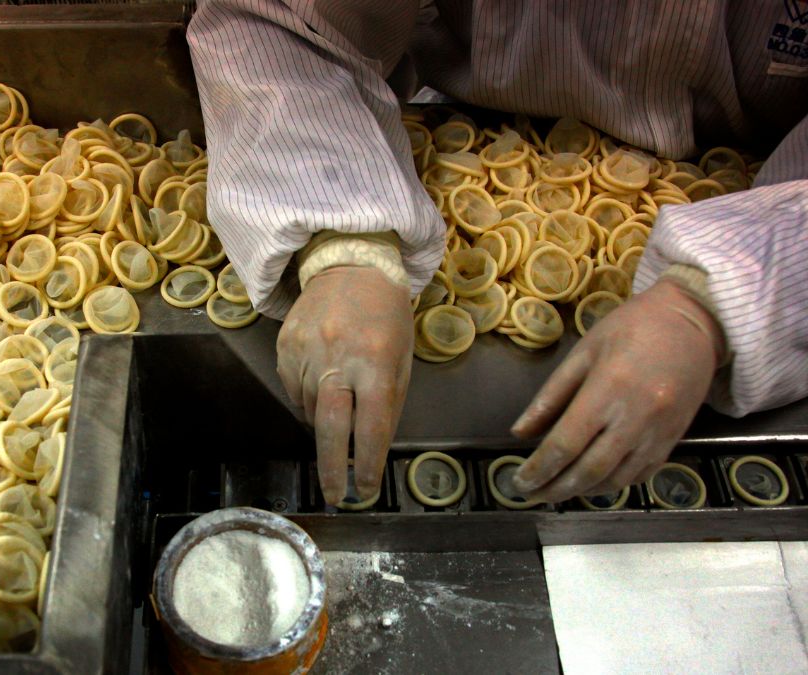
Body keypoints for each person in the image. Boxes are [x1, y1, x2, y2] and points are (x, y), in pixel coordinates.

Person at [187, 0, 808, 506]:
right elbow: (275, 20)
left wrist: (722, 295)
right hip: (456, 128)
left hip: (764, 185)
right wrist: (345, 240)